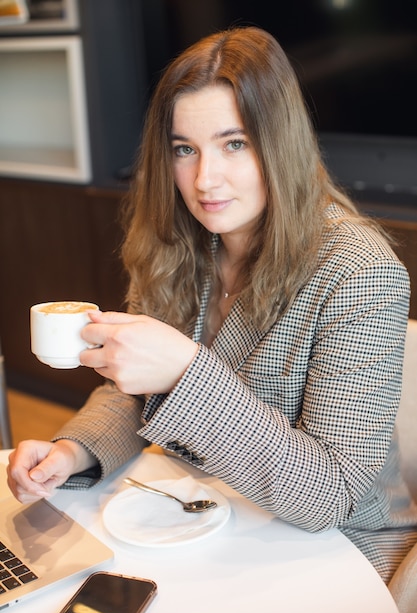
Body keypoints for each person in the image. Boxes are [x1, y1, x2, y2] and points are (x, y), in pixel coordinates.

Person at [7, 26, 417, 584]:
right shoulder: (179, 243)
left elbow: (332, 495)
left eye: (235, 143)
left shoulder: (358, 272)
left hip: (338, 545)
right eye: (184, 150)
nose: (205, 179)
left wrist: (186, 370)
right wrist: (76, 450)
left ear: (280, 143)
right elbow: (133, 392)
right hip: (204, 510)